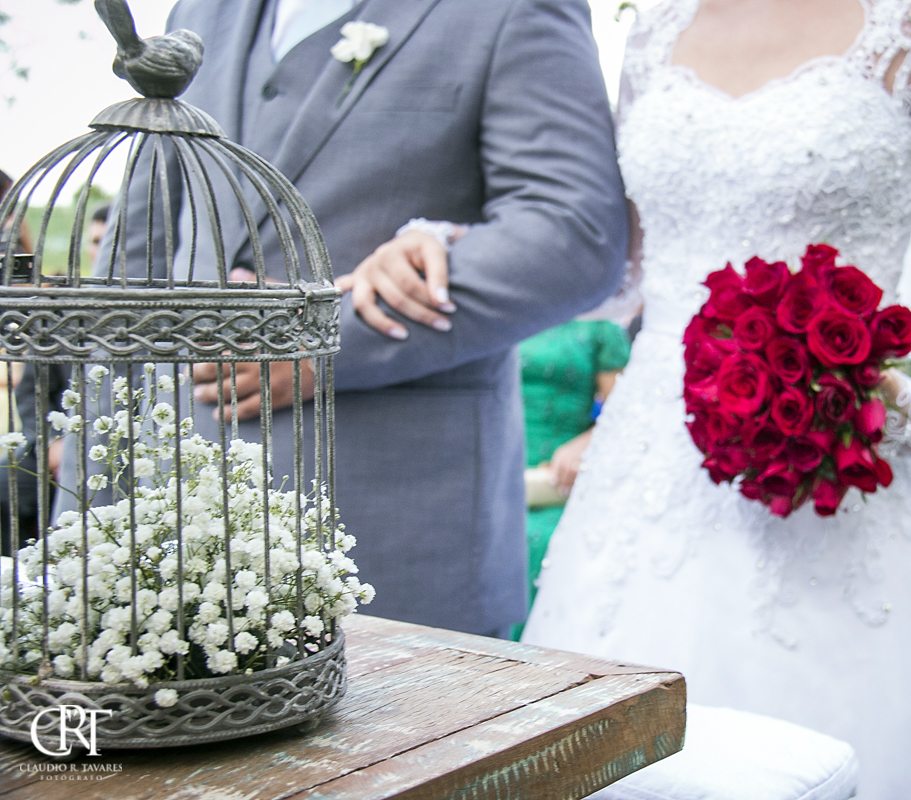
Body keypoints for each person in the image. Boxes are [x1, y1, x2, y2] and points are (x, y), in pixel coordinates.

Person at [513, 0, 911, 794]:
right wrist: (461, 242)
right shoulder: (655, 30)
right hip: (644, 482)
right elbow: (625, 270)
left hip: (847, 469)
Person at [88, 0, 628, 637]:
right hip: (167, 528)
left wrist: (321, 341)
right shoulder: (203, 11)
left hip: (397, 532)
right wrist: (90, 502)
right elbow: (133, 262)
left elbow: (573, 234)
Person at [516, 319, 629, 634]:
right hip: (495, 465)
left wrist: (584, 445)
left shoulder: (601, 325)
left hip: (558, 477)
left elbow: (623, 413)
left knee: (535, 540)